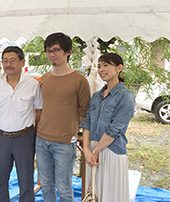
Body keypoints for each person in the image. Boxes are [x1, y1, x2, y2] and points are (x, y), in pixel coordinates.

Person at [0, 46, 43, 202]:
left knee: (26, 180)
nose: (8, 64)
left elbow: (39, 111)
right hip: (1, 138)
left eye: (12, 61)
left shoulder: (33, 85)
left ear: (22, 62)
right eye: (5, 61)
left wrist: (34, 132)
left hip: (25, 138)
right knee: (0, 180)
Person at [36, 32, 91, 202]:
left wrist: (71, 129)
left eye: (56, 50)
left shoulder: (79, 80)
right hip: (41, 139)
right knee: (46, 184)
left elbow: (85, 110)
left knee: (64, 186)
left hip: (65, 142)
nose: (51, 54)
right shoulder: (44, 79)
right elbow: (38, 108)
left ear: (67, 51)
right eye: (48, 51)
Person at [79, 53, 135, 202]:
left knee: (110, 194)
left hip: (111, 151)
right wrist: (86, 150)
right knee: (93, 194)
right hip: (92, 153)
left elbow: (114, 130)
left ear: (119, 68)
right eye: (99, 66)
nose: (101, 69)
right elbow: (87, 123)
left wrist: (95, 151)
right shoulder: (96, 96)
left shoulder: (125, 96)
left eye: (106, 65)